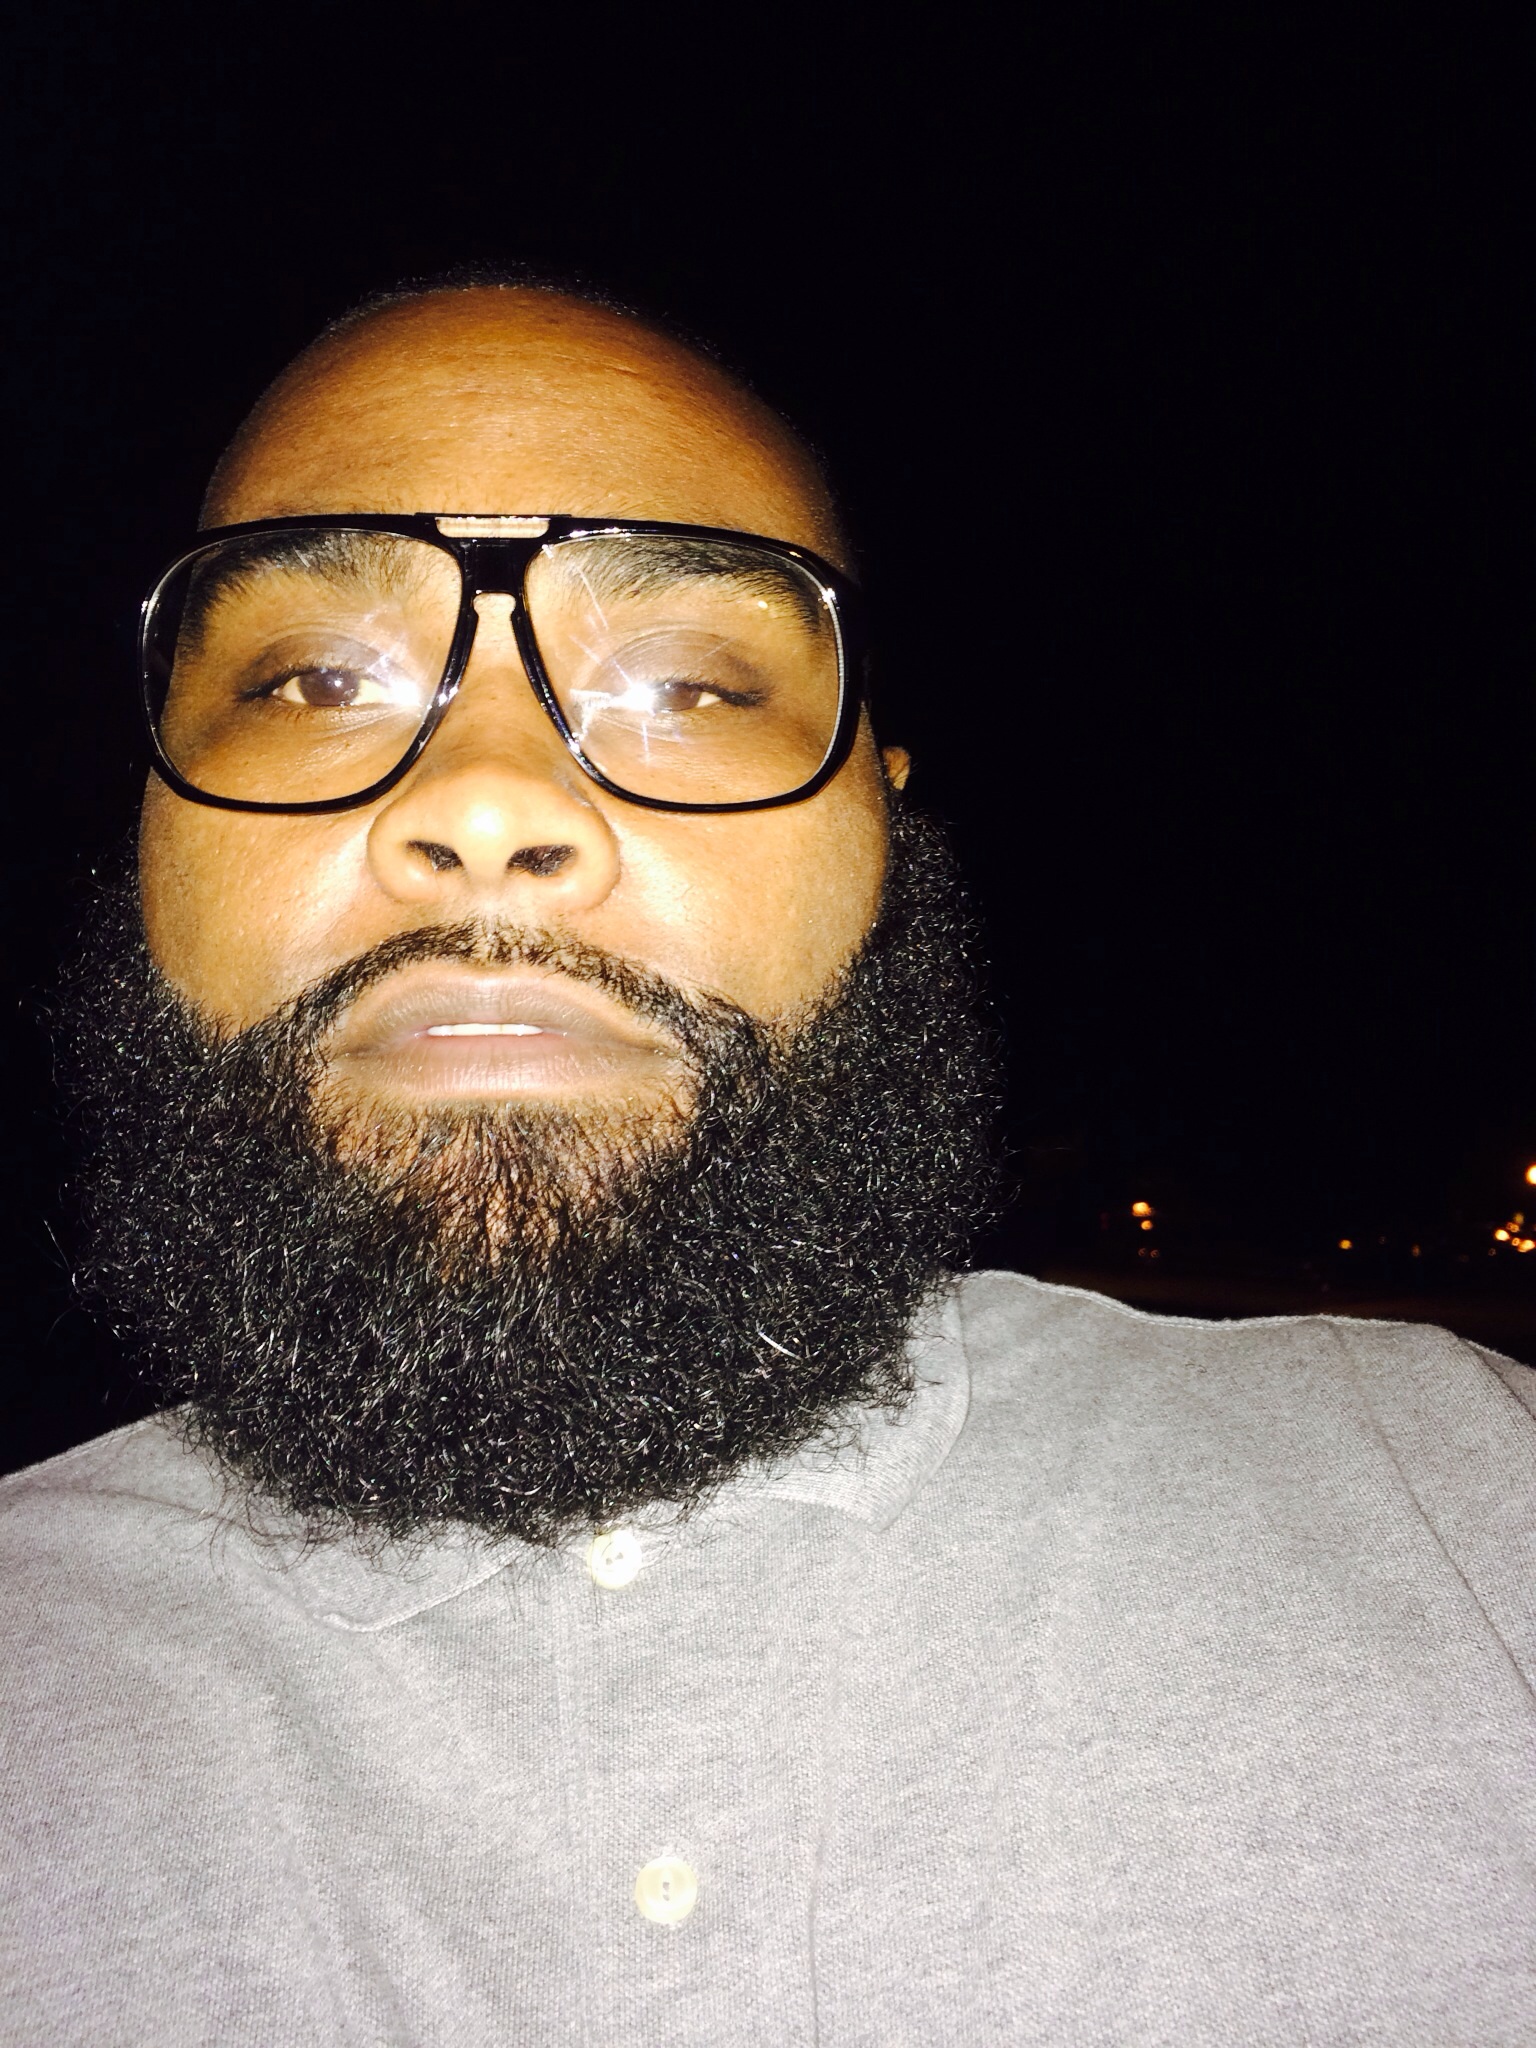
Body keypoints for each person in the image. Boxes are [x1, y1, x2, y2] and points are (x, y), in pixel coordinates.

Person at [2, 278, 1533, 2048]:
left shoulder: (1462, 1508)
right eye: (314, 679)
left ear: (881, 818)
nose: (486, 802)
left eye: (687, 685)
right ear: (148, 830)